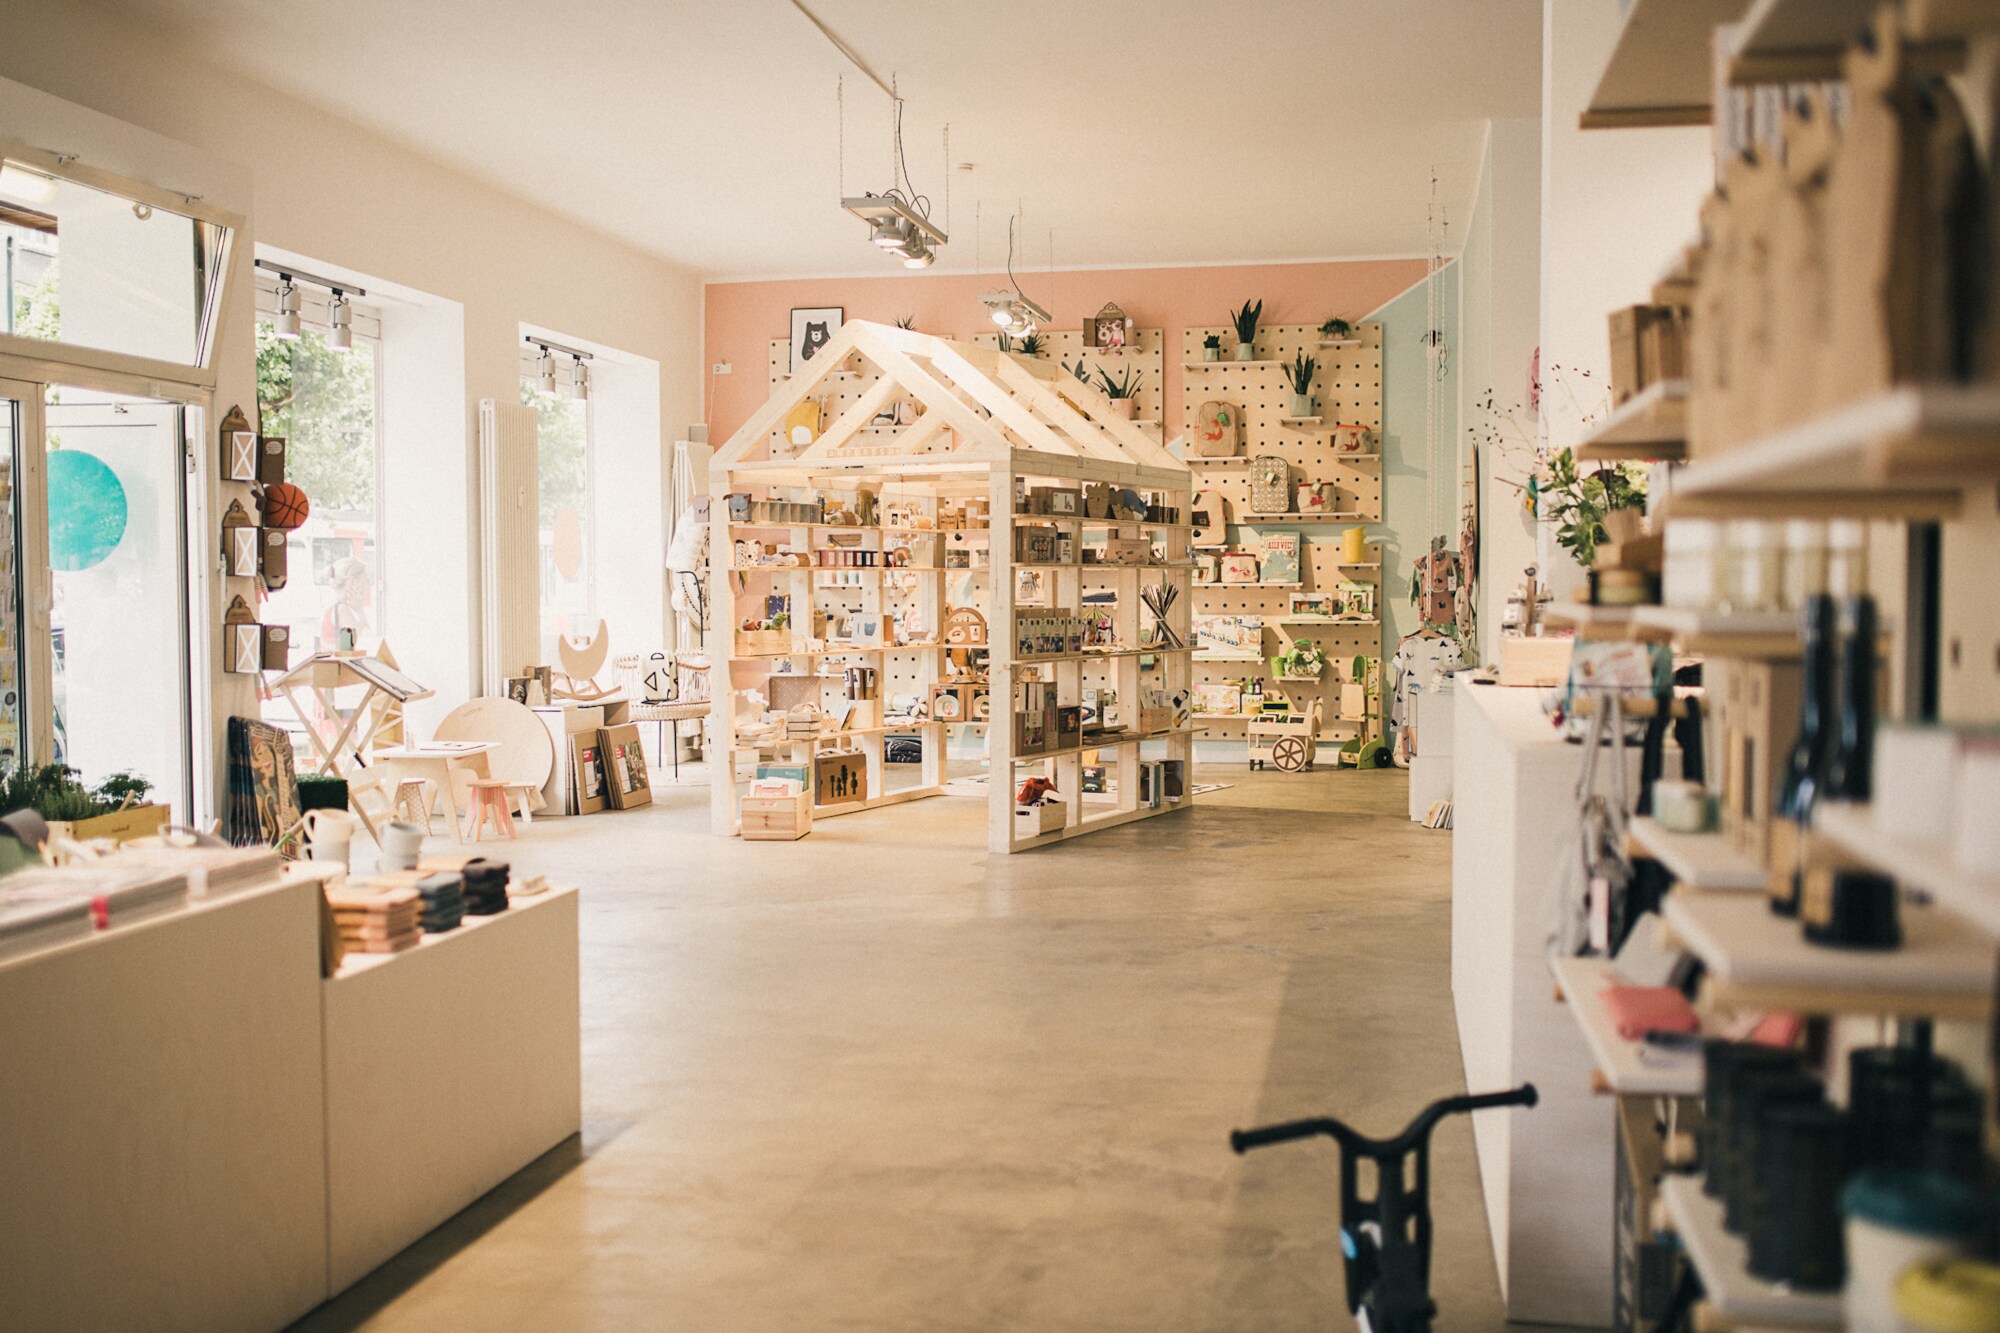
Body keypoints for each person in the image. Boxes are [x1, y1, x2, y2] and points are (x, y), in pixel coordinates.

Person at [320, 556, 371, 650]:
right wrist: (360, 610)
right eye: (363, 580)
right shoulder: (342, 610)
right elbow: (360, 643)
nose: (365, 585)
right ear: (351, 581)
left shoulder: (334, 608)